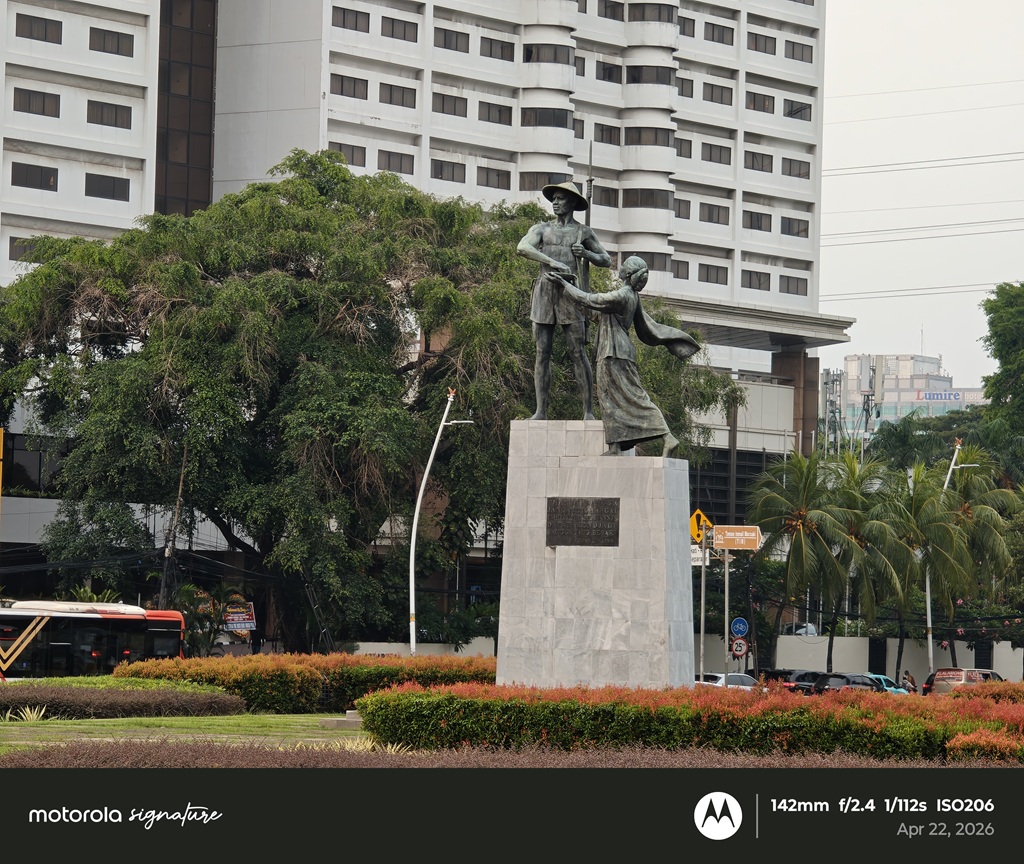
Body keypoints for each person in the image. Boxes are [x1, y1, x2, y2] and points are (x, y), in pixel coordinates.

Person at [547, 255, 700, 456]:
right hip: (615, 351)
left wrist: (565, 285)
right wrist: (573, 287)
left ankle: (667, 436)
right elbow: (594, 312)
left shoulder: (623, 295)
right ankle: (615, 445)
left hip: (614, 351)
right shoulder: (630, 296)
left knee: (633, 397)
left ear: (627, 273)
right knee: (610, 398)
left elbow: (590, 299)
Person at [516, 181, 612, 420]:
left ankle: (588, 411)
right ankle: (540, 411)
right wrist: (551, 261)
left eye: (560, 198)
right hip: (545, 290)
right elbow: (522, 247)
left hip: (571, 292)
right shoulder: (542, 228)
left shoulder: (583, 232)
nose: (555, 203)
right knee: (542, 352)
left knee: (577, 352)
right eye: (554, 199)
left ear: (572, 202)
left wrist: (586, 253)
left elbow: (606, 260)